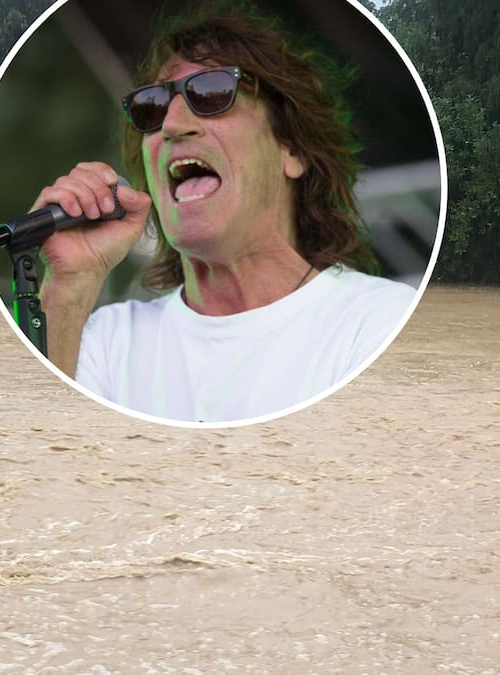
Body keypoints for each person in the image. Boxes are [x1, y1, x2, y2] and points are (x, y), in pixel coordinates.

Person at [34, 9, 417, 423]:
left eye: (212, 92)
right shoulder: (106, 341)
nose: (172, 125)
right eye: (152, 105)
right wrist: (68, 290)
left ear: (293, 150)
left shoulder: (381, 322)